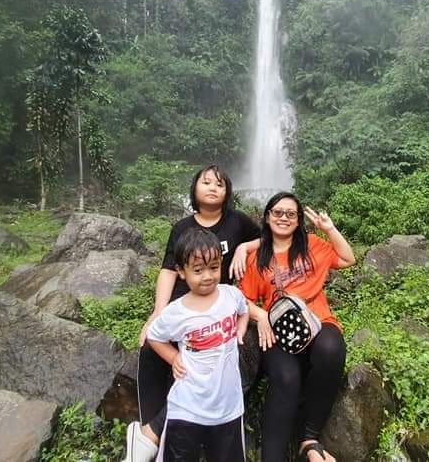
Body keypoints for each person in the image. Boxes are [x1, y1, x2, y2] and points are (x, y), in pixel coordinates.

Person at [130, 165, 260, 460]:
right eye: (206, 182)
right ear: (195, 188)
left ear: (227, 192)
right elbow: (168, 270)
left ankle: (156, 430)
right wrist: (157, 312)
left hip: (217, 304)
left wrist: (244, 248)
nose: (213, 187)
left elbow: (266, 236)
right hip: (184, 303)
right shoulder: (182, 227)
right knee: (150, 348)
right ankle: (148, 435)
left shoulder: (237, 221)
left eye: (220, 184)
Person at [239, 192, 355, 462]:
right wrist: (261, 315)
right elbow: (242, 299)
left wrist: (329, 229)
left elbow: (348, 259)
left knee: (331, 348)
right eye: (278, 212)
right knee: (286, 378)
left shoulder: (312, 244)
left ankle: (309, 438)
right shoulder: (256, 258)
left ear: (299, 220)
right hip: (278, 330)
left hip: (318, 321)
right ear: (267, 217)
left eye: (291, 214)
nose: (284, 218)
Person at [125, 228, 250, 462]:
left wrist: (240, 329)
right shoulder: (176, 312)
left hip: (229, 410)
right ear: (181, 272)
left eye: (214, 267)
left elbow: (244, 311)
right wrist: (173, 357)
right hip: (187, 410)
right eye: (198, 270)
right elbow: (154, 336)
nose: (207, 276)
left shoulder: (231, 295)